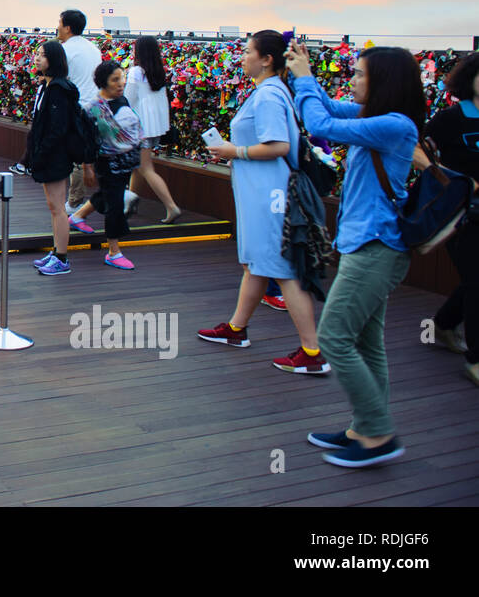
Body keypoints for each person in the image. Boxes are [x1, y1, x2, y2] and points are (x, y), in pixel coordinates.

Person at [289, 41, 425, 466]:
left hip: (376, 247)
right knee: (367, 342)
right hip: (361, 243)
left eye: (360, 74)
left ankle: (379, 433)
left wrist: (307, 76)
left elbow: (320, 124)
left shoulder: (396, 126)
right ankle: (363, 428)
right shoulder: (375, 118)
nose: (353, 80)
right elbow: (324, 108)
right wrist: (299, 73)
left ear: (382, 80)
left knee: (334, 336)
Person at [196, 30, 329, 375]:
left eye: (247, 51)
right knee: (257, 263)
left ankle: (312, 351)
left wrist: (233, 151)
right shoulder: (271, 92)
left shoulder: (268, 95)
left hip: (270, 196)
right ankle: (236, 329)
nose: (242, 57)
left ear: (266, 59)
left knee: (282, 270)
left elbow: (278, 146)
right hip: (262, 193)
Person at [424, 52, 479, 385]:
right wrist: (446, 179)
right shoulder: (451, 119)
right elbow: (419, 150)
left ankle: (443, 326)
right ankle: (475, 359)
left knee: (475, 281)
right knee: (477, 281)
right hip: (461, 215)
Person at [69, 60, 143, 269]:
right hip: (106, 163)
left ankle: (77, 216)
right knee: (115, 205)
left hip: (126, 161)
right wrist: (87, 167)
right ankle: (114, 251)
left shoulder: (122, 100)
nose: (121, 84)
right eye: (115, 80)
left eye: (122, 78)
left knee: (110, 195)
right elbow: (87, 140)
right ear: (104, 82)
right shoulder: (92, 108)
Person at [25, 40, 78, 275]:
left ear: (54, 60)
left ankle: (62, 258)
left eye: (43, 55)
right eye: (37, 54)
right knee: (54, 206)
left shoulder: (57, 89)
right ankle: (57, 251)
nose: (37, 58)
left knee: (57, 207)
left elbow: (57, 129)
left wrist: (41, 153)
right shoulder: (47, 86)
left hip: (56, 156)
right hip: (50, 154)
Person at [125, 36, 181, 224]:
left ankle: (171, 207)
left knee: (146, 168)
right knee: (139, 166)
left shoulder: (136, 72)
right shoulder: (157, 72)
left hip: (141, 126)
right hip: (155, 126)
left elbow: (129, 99)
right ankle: (129, 203)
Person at [57, 9, 102, 213]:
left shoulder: (64, 50)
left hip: (76, 107)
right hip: (96, 106)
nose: (57, 27)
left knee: (76, 156)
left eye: (59, 23)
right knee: (89, 153)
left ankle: (74, 202)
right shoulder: (93, 48)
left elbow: (59, 80)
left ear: (67, 27)